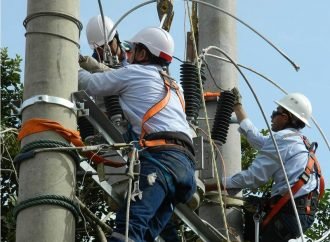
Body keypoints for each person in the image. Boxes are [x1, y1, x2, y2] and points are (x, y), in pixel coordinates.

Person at [78, 26, 196, 242]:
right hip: (186, 170)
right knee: (146, 234)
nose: (128, 54)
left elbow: (90, 84)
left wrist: (66, 58)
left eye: (131, 50)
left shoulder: (134, 73)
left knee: (128, 229)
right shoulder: (174, 86)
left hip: (162, 162)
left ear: (143, 53)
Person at [222, 90, 323, 242]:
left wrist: (218, 183)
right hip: (301, 213)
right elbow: (258, 140)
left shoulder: (283, 139)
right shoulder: (296, 140)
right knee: (251, 208)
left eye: (276, 112)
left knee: (251, 213)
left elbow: (254, 178)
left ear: (285, 117)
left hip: (290, 213)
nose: (272, 116)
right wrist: (238, 107)